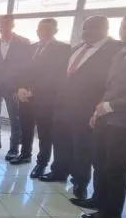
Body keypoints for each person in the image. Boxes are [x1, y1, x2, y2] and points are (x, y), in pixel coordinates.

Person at [77, 11, 126, 218]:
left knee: (114, 168)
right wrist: (97, 112)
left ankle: (111, 213)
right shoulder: (121, 53)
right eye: (124, 27)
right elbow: (110, 88)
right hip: (105, 118)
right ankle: (98, 199)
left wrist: (109, 106)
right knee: (99, 161)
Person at [41, 16, 121, 200]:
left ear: (105, 29)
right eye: (85, 28)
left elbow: (112, 82)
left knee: (82, 146)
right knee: (61, 141)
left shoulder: (114, 50)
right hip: (63, 106)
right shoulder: (77, 48)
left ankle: (80, 181)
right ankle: (59, 171)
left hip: (87, 108)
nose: (87, 32)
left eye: (93, 28)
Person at [12, 18, 71, 178]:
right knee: (26, 128)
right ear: (37, 31)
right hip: (25, 97)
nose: (43, 32)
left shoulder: (64, 49)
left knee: (45, 133)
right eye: (41, 29)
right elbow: (21, 70)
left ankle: (41, 163)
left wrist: (34, 90)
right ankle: (25, 154)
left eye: (48, 29)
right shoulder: (30, 48)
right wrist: (20, 88)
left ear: (55, 31)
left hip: (46, 98)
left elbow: (57, 75)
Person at [0, 15, 31, 160]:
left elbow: (27, 67)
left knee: (15, 118)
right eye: (1, 25)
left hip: (13, 87)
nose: (3, 27)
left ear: (13, 25)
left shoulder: (23, 42)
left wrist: (22, 86)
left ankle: (14, 148)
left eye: (7, 24)